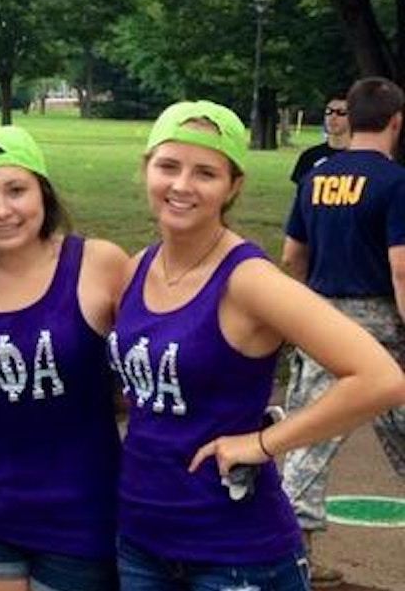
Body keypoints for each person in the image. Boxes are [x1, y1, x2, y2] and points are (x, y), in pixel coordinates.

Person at [112, 100, 405, 591]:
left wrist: (265, 442)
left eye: (205, 172)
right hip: (142, 542)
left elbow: (380, 377)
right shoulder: (136, 267)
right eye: (168, 166)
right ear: (147, 170)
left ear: (233, 185)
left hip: (235, 556)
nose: (182, 185)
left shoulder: (249, 279)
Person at [0, 125, 127, 591]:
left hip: (80, 511)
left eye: (16, 190)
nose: (2, 210)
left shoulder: (99, 264)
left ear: (43, 193)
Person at [279, 77, 405, 587]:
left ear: (348, 117)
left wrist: (307, 310)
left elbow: (291, 255)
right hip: (381, 326)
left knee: (308, 441)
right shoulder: (396, 183)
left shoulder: (317, 176)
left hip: (324, 324)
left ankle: (293, 563)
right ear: (396, 121)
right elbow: (401, 269)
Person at [289, 96, 349, 185]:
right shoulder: (309, 156)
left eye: (341, 113)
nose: (333, 117)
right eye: (329, 112)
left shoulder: (361, 157)